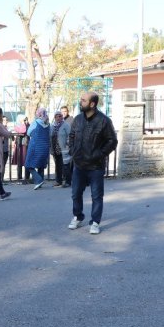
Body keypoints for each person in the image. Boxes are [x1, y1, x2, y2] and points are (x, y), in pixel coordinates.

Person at [67, 91, 117, 235]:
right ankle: (78, 216)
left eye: (83, 100)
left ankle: (95, 222)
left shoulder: (104, 121)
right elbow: (71, 136)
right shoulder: (77, 119)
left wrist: (99, 154)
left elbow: (112, 141)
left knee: (96, 196)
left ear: (92, 104)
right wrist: (72, 151)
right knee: (75, 194)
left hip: (96, 166)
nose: (80, 102)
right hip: (79, 165)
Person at [24, 107, 50, 190]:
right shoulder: (48, 123)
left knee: (28, 165)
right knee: (41, 165)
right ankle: (40, 182)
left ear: (38, 114)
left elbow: (28, 133)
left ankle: (38, 180)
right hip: (45, 147)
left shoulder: (36, 122)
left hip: (35, 146)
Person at [50, 110, 72, 188]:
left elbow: (70, 135)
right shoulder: (53, 126)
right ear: (55, 117)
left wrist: (67, 145)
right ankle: (58, 181)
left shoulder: (66, 125)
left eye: (61, 116)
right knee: (58, 165)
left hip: (64, 148)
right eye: (58, 116)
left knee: (65, 165)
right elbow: (50, 136)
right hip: (55, 149)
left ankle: (67, 181)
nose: (59, 117)